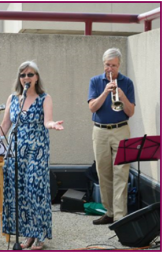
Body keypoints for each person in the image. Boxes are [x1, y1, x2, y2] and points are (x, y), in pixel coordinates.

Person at [0, 61, 63, 250]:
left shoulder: (45, 98)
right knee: (18, 194)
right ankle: (27, 235)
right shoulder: (13, 98)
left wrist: (53, 125)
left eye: (30, 74)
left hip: (37, 151)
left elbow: (47, 121)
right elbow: (4, 127)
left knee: (35, 192)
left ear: (37, 77)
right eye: (23, 75)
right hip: (15, 152)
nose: (26, 78)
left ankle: (40, 234)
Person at [88, 48, 135, 225]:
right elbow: (92, 107)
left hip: (121, 129)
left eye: (113, 65)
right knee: (103, 173)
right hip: (100, 130)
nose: (110, 69)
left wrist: (121, 94)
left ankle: (120, 217)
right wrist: (106, 92)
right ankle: (110, 212)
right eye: (107, 65)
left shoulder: (127, 82)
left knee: (121, 173)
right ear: (103, 64)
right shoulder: (95, 81)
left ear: (119, 65)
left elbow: (130, 112)